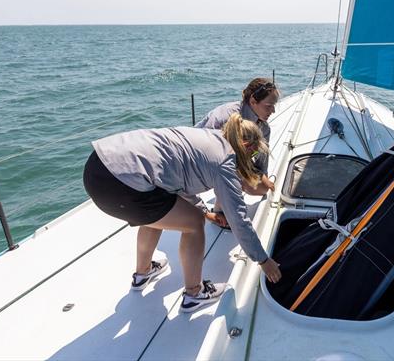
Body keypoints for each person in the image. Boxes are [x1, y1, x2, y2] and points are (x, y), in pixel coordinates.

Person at [83, 113, 282, 314]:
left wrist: (204, 210)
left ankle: (142, 274)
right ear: (246, 145)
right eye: (253, 154)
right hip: (122, 186)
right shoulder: (226, 161)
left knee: (156, 215)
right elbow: (238, 218)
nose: (251, 159)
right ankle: (194, 294)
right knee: (194, 223)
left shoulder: (206, 136)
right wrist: (263, 260)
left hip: (97, 167)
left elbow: (176, 180)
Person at [196, 78, 279, 204]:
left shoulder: (264, 129)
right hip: (205, 161)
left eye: (274, 106)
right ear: (253, 101)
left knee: (264, 188)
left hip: (235, 161)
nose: (273, 111)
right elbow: (200, 147)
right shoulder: (224, 117)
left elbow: (261, 163)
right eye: (269, 106)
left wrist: (262, 177)